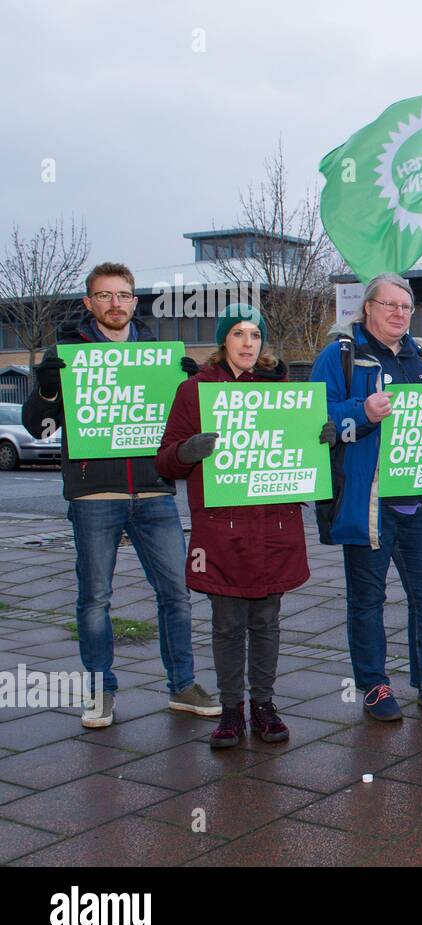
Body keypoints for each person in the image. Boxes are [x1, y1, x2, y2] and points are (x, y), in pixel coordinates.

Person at [22, 262, 218, 729]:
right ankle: (99, 692)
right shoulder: (67, 353)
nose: (116, 303)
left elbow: (184, 429)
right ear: (89, 303)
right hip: (94, 494)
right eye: (105, 295)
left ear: (134, 301)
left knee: (176, 593)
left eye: (124, 295)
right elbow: (39, 427)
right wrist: (49, 389)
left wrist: (190, 388)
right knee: (95, 598)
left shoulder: (156, 353)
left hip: (153, 492)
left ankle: (183, 684)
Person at [156, 304, 330, 747]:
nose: (248, 343)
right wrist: (187, 451)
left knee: (268, 620)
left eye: (255, 334)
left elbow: (298, 455)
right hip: (223, 530)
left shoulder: (280, 390)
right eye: (238, 333)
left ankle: (264, 706)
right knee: (228, 622)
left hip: (274, 527)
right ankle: (231, 710)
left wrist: (321, 437)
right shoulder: (194, 391)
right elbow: (166, 460)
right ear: (223, 341)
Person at [311, 273, 422, 719]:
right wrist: (361, 412)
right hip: (367, 504)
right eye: (390, 306)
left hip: (419, 502)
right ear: (368, 308)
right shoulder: (340, 356)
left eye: (405, 307)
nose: (399, 314)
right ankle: (373, 686)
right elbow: (313, 422)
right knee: (367, 599)